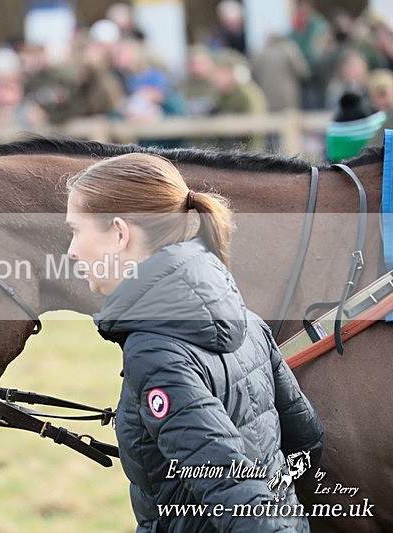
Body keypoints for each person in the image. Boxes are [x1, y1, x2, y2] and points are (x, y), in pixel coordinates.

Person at [65, 153, 324, 532]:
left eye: (76, 230)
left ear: (120, 234)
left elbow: (229, 486)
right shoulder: (246, 319)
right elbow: (307, 440)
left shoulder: (154, 350)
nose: (71, 250)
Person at [325, 90, 386, 162]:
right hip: (369, 166)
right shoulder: (375, 121)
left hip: (341, 168)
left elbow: (331, 156)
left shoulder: (334, 129)